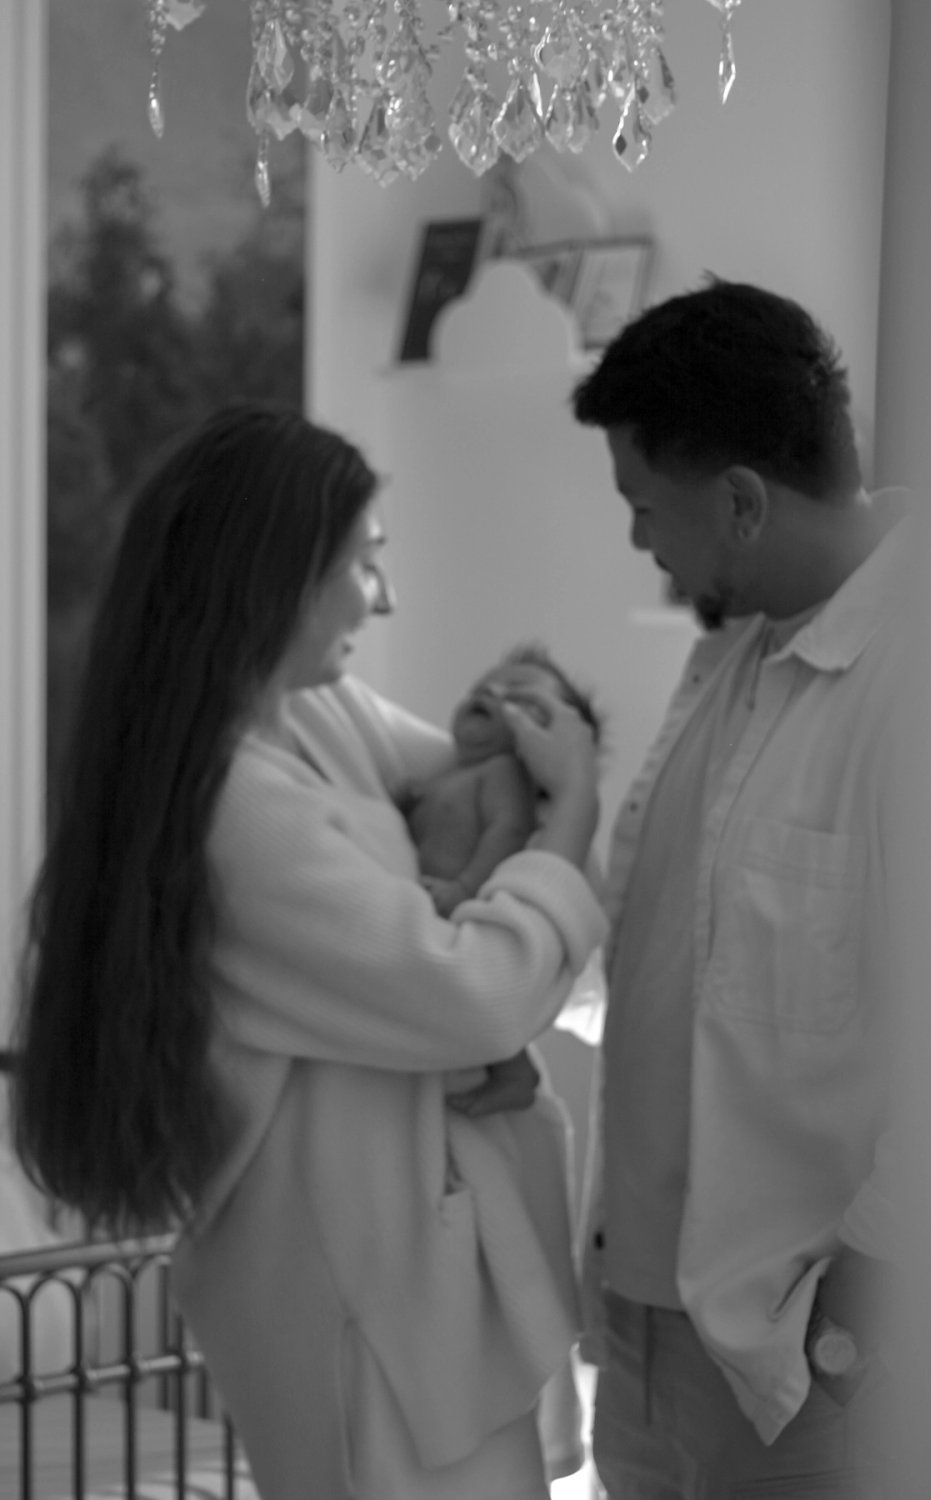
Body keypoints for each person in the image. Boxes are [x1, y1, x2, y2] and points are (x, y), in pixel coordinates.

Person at [10, 402, 608, 1500]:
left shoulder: (314, 720)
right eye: (364, 564)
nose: (386, 600)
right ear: (278, 574)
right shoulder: (234, 809)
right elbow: (473, 991)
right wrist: (570, 809)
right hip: (358, 1305)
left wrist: (532, 769)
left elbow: (488, 793)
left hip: (399, 1287)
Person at [569, 278, 906, 1498]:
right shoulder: (731, 652)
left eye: (643, 505)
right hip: (644, 1324)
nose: (637, 542)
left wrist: (853, 1325)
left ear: (745, 502)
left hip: (798, 1369)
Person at [403, 643, 603, 1121]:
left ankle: (516, 1071)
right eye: (482, 687)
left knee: (478, 992)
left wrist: (466, 886)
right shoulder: (449, 772)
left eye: (518, 696)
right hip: (436, 904)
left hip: (463, 898)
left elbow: (506, 830)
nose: (492, 691)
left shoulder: (503, 773)